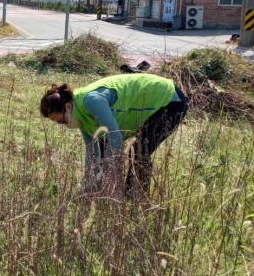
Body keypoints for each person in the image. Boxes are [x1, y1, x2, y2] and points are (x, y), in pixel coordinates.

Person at [39, 74, 189, 196]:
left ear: (68, 107)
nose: (63, 125)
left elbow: (116, 139)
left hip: (169, 100)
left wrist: (104, 173)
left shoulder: (91, 101)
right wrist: (88, 181)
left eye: (61, 121)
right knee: (105, 149)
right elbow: (92, 150)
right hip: (150, 105)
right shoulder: (79, 116)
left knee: (138, 150)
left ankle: (134, 197)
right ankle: (110, 193)